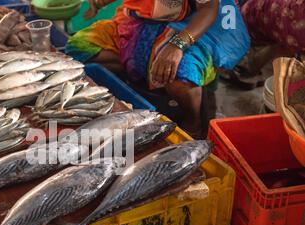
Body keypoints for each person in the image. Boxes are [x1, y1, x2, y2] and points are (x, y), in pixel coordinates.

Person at [66, 0, 250, 138]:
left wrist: (178, 45)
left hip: (192, 26)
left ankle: (194, 124)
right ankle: (139, 70)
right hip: (139, 21)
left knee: (181, 76)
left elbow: (209, 7)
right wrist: (97, 4)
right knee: (79, 47)